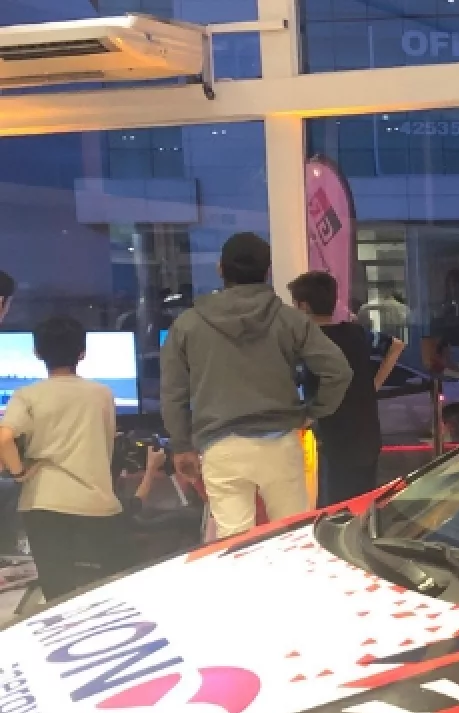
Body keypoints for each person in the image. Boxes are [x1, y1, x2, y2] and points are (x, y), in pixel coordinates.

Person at [161, 233, 352, 538]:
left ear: (221, 268)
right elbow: (338, 371)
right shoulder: (289, 319)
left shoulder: (187, 324)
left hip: (220, 445)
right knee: (292, 537)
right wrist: (312, 412)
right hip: (280, 442)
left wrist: (182, 445)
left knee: (235, 541)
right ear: (268, 270)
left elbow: (173, 393)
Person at [0, 317, 122, 600]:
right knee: (106, 594)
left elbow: (4, 438)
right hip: (97, 502)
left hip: (43, 502)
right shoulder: (102, 394)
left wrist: (19, 473)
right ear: (82, 353)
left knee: (58, 596)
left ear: (37, 352)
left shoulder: (27, 395)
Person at [289, 270, 405, 506]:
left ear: (304, 306)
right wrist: (373, 385)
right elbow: (396, 345)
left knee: (335, 508)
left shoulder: (312, 342)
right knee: (364, 504)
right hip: (366, 434)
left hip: (334, 436)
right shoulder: (355, 332)